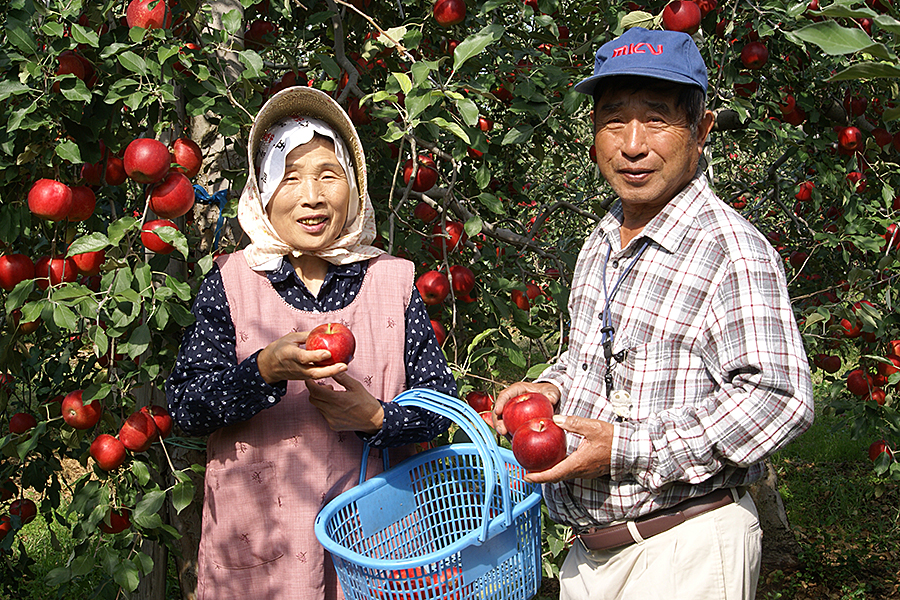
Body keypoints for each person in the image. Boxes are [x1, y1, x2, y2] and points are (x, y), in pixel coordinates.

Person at [493, 27, 814, 600]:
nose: (633, 144)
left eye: (658, 119)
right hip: (592, 553)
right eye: (614, 120)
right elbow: (593, 357)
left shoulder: (728, 249)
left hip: (683, 547)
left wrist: (629, 449)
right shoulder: (601, 241)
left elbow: (780, 399)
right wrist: (547, 389)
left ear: (702, 130)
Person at [166, 86, 456, 600]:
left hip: (379, 549)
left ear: (355, 185)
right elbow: (187, 406)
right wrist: (263, 371)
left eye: (329, 175)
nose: (312, 197)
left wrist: (379, 420)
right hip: (260, 546)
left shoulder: (393, 282)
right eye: (289, 177)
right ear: (263, 191)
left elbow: (444, 407)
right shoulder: (232, 283)